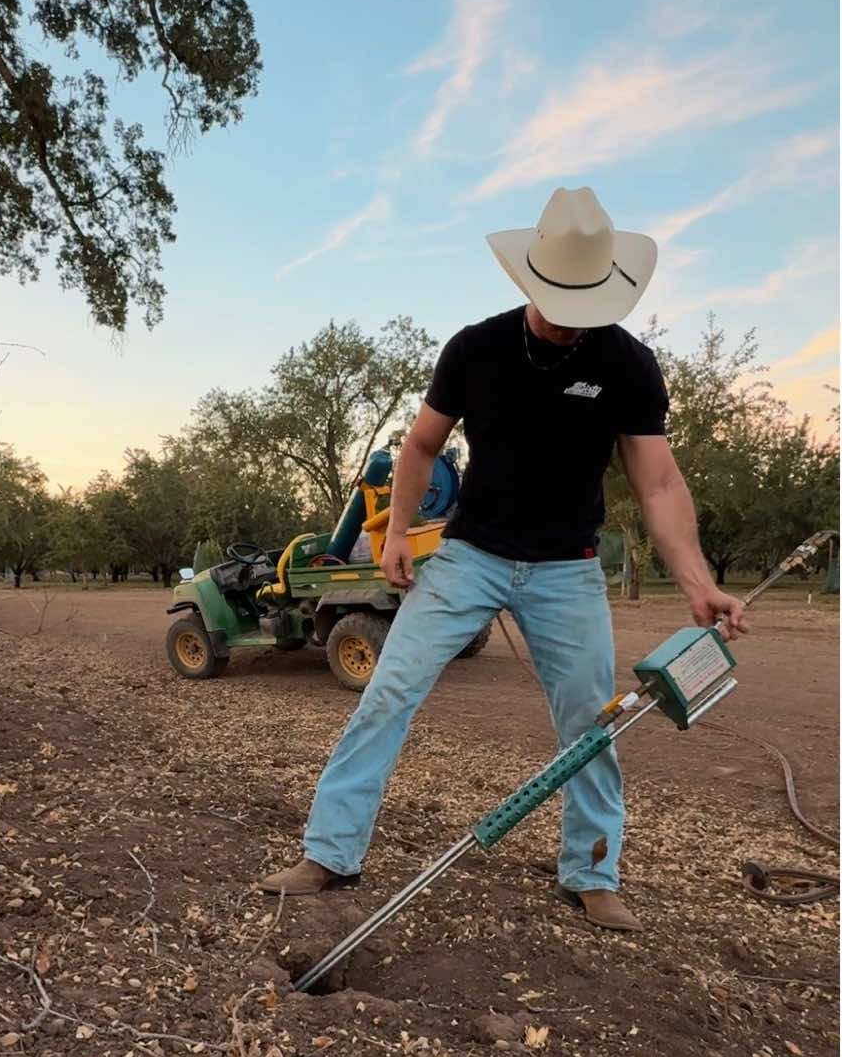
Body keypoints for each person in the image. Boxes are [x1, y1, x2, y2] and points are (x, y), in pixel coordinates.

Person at [259, 186, 747, 931]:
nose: (567, 320)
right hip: (471, 555)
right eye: (555, 300)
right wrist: (392, 535)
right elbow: (420, 447)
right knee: (388, 693)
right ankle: (329, 854)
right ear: (530, 279)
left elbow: (659, 481)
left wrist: (699, 584)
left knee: (593, 721)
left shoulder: (627, 364)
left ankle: (591, 872)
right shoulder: (476, 349)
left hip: (567, 568)